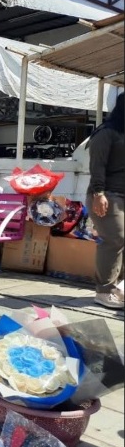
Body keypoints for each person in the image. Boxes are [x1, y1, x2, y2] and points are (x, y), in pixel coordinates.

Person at [86, 92, 124, 310]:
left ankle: (116, 286)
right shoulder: (106, 133)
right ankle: (103, 291)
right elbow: (97, 166)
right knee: (115, 239)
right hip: (107, 195)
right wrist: (98, 194)